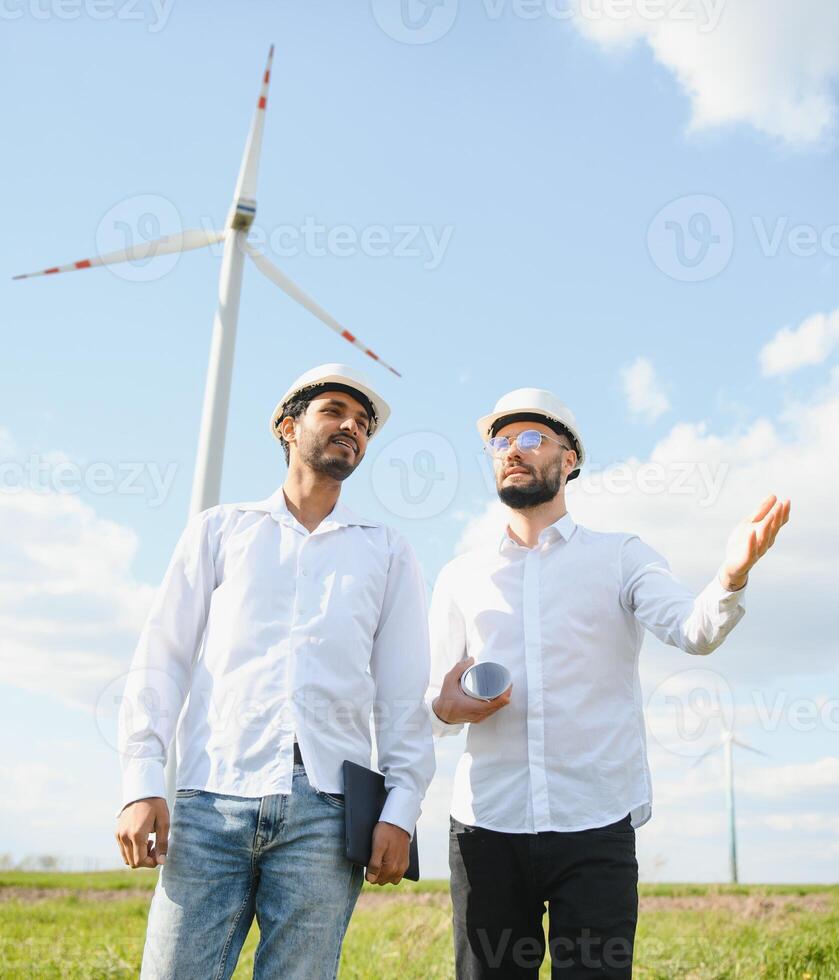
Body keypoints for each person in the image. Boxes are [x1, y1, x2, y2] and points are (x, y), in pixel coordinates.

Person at [427, 386, 790, 979]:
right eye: (500, 441)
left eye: (530, 438)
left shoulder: (622, 557)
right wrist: (444, 709)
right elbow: (427, 704)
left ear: (570, 459)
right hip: (486, 829)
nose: (511, 451)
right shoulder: (461, 575)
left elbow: (692, 630)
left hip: (594, 825)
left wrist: (730, 576)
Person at [115, 363, 435, 980]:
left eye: (364, 424)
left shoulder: (387, 550)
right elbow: (162, 659)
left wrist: (401, 808)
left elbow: (402, 692)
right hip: (210, 799)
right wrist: (141, 779)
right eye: (335, 411)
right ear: (289, 427)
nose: (352, 426)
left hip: (328, 811)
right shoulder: (219, 529)